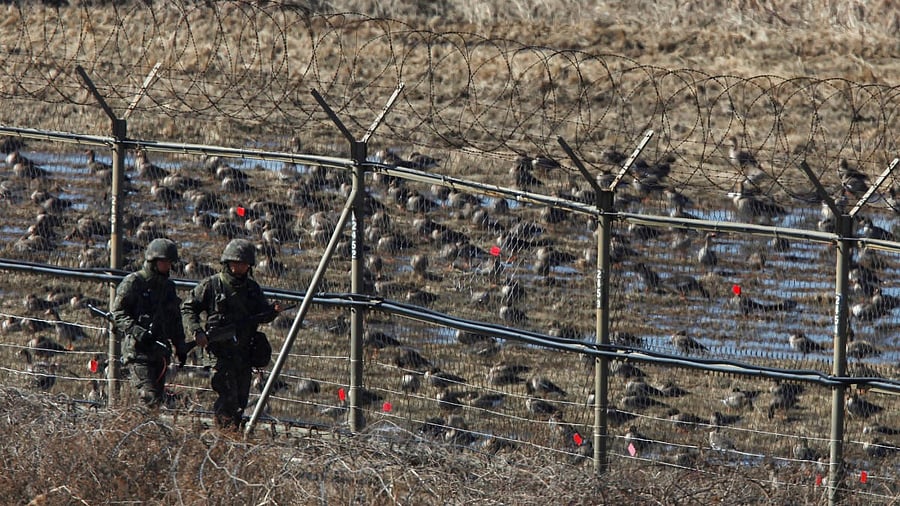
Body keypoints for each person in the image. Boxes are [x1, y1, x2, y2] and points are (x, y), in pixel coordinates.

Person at [181, 238, 281, 430]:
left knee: (241, 401)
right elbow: (188, 308)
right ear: (227, 262)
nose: (241, 267)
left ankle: (232, 435)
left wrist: (273, 311)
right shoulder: (212, 285)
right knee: (227, 398)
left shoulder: (252, 288)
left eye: (244, 264)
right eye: (237, 263)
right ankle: (224, 436)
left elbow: (262, 315)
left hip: (243, 353)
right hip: (219, 353)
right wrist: (197, 331)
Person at [112, 238, 188, 408]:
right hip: (138, 352)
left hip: (160, 353)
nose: (168, 266)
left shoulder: (168, 287)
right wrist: (138, 331)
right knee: (148, 398)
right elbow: (117, 313)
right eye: (164, 262)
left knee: (156, 402)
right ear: (153, 261)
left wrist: (180, 347)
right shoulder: (134, 282)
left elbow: (175, 320)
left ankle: (148, 431)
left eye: (170, 262)